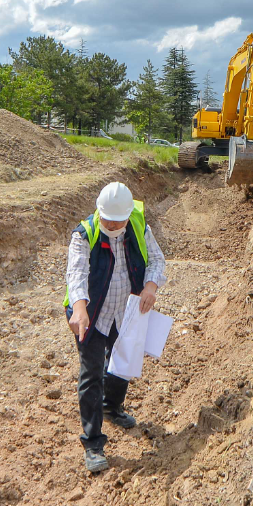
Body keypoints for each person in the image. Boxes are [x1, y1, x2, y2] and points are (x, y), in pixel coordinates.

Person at [64, 181, 167, 473]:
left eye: (116, 221)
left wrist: (150, 286)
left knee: (123, 362)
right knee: (92, 373)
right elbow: (76, 272)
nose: (111, 224)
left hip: (126, 310)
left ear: (126, 216)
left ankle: (112, 407)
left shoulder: (137, 225)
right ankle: (93, 444)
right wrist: (80, 308)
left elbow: (157, 260)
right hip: (92, 313)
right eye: (106, 219)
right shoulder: (85, 233)